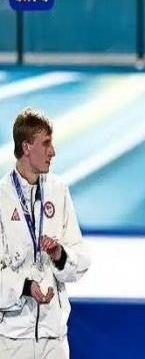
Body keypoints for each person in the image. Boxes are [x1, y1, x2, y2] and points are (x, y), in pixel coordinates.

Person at [0, 108, 91, 358]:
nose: (53, 152)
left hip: (54, 339)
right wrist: (26, 287)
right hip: (12, 340)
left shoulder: (58, 191)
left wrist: (60, 255)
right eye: (46, 143)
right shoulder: (2, 198)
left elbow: (82, 261)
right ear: (26, 147)